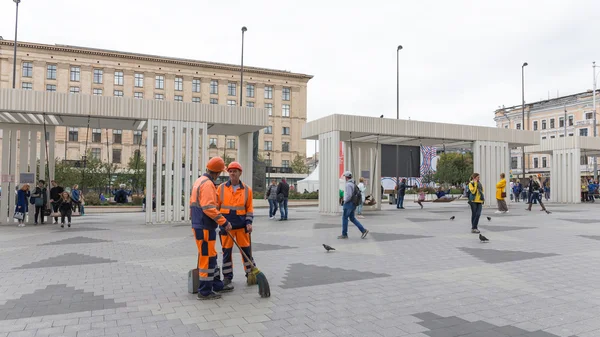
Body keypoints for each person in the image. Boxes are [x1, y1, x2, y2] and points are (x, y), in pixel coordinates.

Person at [190, 156, 234, 300]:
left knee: (211, 255)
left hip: (200, 226)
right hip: (204, 227)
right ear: (218, 172)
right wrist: (224, 222)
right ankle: (205, 291)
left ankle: (216, 285)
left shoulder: (199, 181)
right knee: (207, 259)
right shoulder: (208, 184)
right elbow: (209, 208)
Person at [216, 162, 255, 286]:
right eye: (230, 171)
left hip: (242, 227)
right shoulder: (221, 188)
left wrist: (249, 222)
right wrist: (221, 222)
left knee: (246, 252)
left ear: (240, 173)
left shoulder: (247, 190)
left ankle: (251, 274)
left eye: (235, 171)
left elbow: (249, 208)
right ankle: (227, 277)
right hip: (226, 227)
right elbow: (216, 208)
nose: (232, 173)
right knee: (226, 253)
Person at [338, 171, 369, 240]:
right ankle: (363, 230)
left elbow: (349, 195)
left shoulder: (348, 184)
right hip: (353, 204)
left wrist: (344, 201)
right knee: (352, 218)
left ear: (346, 177)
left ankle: (344, 234)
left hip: (348, 203)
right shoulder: (353, 184)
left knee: (345, 218)